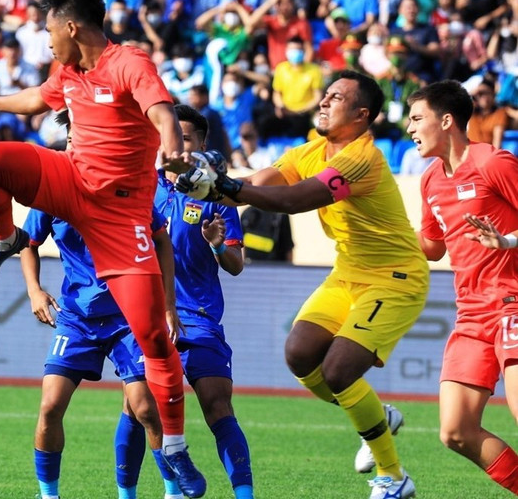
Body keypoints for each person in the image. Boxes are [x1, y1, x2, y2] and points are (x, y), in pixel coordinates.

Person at [0, 0, 206, 497]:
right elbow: (35, 98)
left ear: (71, 26)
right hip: (70, 184)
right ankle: (2, 240)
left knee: (157, 340)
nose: (46, 40)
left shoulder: (128, 62)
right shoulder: (67, 71)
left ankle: (178, 450)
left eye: (49, 29)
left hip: (121, 217)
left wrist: (173, 145)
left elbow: (161, 109)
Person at [179, 71, 429, 499]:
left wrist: (223, 185)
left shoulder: (360, 158)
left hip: (396, 277)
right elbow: (256, 186)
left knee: (338, 370)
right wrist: (209, 188)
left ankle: (393, 476)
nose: (325, 101)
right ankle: (377, 418)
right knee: (299, 354)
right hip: (349, 272)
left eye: (337, 98)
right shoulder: (310, 150)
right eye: (326, 94)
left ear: (362, 114)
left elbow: (293, 200)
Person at [20, 111, 183, 499]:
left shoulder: (125, 182)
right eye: (74, 138)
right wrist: (34, 290)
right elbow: (27, 242)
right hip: (77, 318)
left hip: (128, 316)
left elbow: (161, 240)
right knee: (49, 407)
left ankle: (172, 492)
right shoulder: (52, 185)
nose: (78, 145)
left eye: (87, 136)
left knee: (146, 408)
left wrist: (167, 305)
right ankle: (49, 495)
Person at [406, 80, 518, 496]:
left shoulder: (493, 161)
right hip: (471, 314)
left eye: (417, 118)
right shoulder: (430, 179)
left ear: (447, 120)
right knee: (455, 431)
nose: (410, 129)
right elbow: (433, 247)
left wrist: (507, 241)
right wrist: (384, 228)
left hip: (512, 302)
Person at [150, 105, 255, 499]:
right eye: (169, 136)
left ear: (201, 145)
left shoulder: (217, 196)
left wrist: (215, 244)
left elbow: (235, 265)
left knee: (217, 406)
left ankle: (244, 495)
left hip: (200, 315)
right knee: (143, 408)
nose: (175, 146)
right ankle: (170, 492)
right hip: (148, 314)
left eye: (186, 138)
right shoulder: (143, 184)